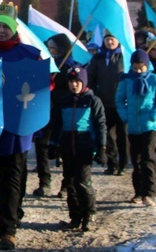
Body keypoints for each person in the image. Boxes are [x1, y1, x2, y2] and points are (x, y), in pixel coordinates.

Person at [0, 2, 41, 251]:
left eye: (5, 27)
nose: (0, 31)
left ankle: (8, 231)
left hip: (15, 131)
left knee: (11, 182)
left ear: (13, 30)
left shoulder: (29, 54)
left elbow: (41, 88)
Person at [48, 66, 106, 232]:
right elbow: (56, 124)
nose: (74, 85)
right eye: (72, 82)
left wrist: (101, 148)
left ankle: (89, 214)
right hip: (67, 146)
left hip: (84, 146)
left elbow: (100, 125)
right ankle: (75, 216)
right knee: (70, 182)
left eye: (78, 82)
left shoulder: (92, 101)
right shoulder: (63, 101)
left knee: (83, 182)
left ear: (84, 82)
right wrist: (53, 144)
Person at [116, 50, 156, 206]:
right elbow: (119, 100)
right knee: (136, 160)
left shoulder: (155, 80)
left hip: (150, 126)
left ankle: (150, 192)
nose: (138, 71)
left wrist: (154, 114)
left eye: (141, 67)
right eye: (135, 67)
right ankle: (139, 191)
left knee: (148, 157)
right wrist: (125, 116)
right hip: (133, 127)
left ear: (147, 66)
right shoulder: (126, 81)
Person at [33, 33, 76, 199]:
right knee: (41, 147)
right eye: (49, 48)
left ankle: (66, 185)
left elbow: (73, 90)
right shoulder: (45, 65)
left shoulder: (70, 67)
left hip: (63, 113)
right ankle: (44, 182)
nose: (50, 51)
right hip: (44, 111)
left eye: (53, 48)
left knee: (64, 149)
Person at [87, 30, 129, 176]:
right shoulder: (98, 58)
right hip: (104, 103)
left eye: (112, 39)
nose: (110, 42)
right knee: (108, 135)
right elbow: (90, 78)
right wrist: (91, 94)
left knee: (123, 135)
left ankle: (123, 164)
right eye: (107, 40)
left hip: (122, 103)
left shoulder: (125, 57)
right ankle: (113, 164)